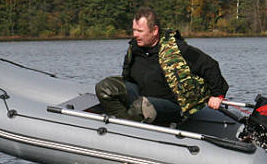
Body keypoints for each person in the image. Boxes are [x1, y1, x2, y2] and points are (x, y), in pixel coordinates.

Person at [95, 7, 229, 125]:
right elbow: (127, 78)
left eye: (140, 31)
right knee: (105, 88)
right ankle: (126, 124)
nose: (135, 35)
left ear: (154, 30)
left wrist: (217, 95)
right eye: (134, 30)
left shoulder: (179, 49)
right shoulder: (134, 48)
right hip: (141, 96)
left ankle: (129, 127)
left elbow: (209, 65)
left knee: (142, 106)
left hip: (173, 105)